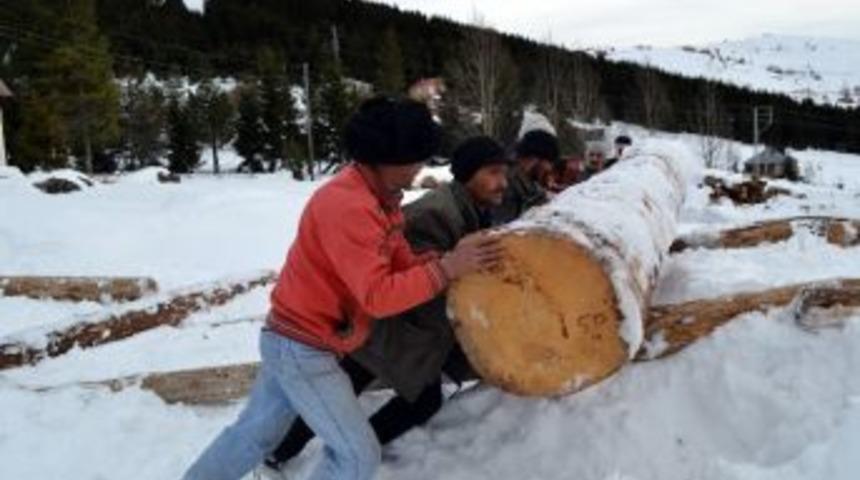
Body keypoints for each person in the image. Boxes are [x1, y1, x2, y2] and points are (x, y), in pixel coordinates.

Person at [181, 97, 502, 480]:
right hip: (302, 346)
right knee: (357, 456)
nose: (420, 168)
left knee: (255, 435)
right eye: (415, 158)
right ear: (387, 157)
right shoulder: (348, 206)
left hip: (296, 339)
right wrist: (447, 269)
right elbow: (378, 297)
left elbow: (401, 263)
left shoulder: (382, 201)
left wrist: (449, 259)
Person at [260, 136, 512, 478]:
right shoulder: (434, 213)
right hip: (392, 328)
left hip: (405, 333)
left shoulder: (470, 210)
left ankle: (327, 453)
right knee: (381, 392)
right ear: (468, 174)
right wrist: (460, 285)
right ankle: (314, 455)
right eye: (493, 173)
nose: (503, 182)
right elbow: (401, 279)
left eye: (504, 173)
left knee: (371, 389)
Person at [494, 129, 561, 223]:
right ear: (534, 159)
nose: (550, 169)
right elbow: (502, 229)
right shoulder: (507, 187)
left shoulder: (528, 184)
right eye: (549, 162)